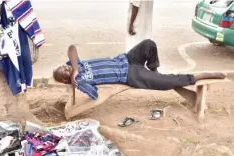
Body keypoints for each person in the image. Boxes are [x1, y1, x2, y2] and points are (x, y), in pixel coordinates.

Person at [53, 39, 226, 100]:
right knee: (166, 82)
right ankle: (199, 76)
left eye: (64, 67)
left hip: (127, 59)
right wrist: (79, 83)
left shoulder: (75, 65)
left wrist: (74, 68)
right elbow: (94, 94)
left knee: (148, 44)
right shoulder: (80, 80)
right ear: (63, 80)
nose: (66, 69)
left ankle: (153, 71)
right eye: (64, 72)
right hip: (129, 74)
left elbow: (71, 48)